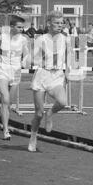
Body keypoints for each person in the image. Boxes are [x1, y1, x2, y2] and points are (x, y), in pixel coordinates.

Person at [28, 10, 71, 152]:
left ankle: (50, 114)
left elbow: (69, 56)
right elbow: (32, 58)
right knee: (38, 113)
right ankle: (33, 137)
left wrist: (68, 72)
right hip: (42, 75)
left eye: (62, 23)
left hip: (57, 76)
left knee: (63, 102)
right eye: (57, 23)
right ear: (49, 24)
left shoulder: (66, 38)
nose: (60, 25)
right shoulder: (41, 39)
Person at [0, 16, 29, 140]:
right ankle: (5, 130)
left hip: (16, 71)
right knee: (6, 100)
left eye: (22, 27)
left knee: (9, 102)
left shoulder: (24, 40)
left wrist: (25, 61)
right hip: (3, 70)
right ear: (12, 27)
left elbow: (26, 54)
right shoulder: (1, 38)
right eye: (19, 27)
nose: (21, 29)